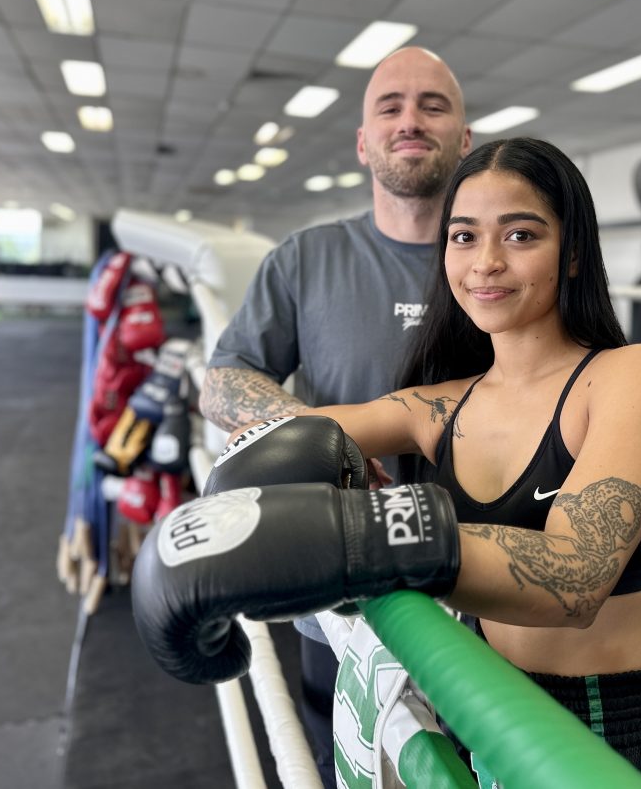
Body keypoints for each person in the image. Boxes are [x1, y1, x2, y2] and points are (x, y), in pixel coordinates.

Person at [217, 136, 641, 785]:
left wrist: (364, 536)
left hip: (602, 737)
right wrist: (320, 459)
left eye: (522, 235)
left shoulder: (632, 377)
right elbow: (272, 433)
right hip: (476, 715)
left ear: (574, 253)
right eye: (464, 237)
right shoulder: (439, 407)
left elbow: (576, 575)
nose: (486, 263)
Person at [199, 46, 472, 785]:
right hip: (349, 578)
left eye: (433, 105)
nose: (410, 121)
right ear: (362, 141)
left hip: (486, 575)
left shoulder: (493, 262)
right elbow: (224, 380)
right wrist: (321, 439)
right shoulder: (308, 258)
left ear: (466, 138)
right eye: (390, 107)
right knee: (346, 763)